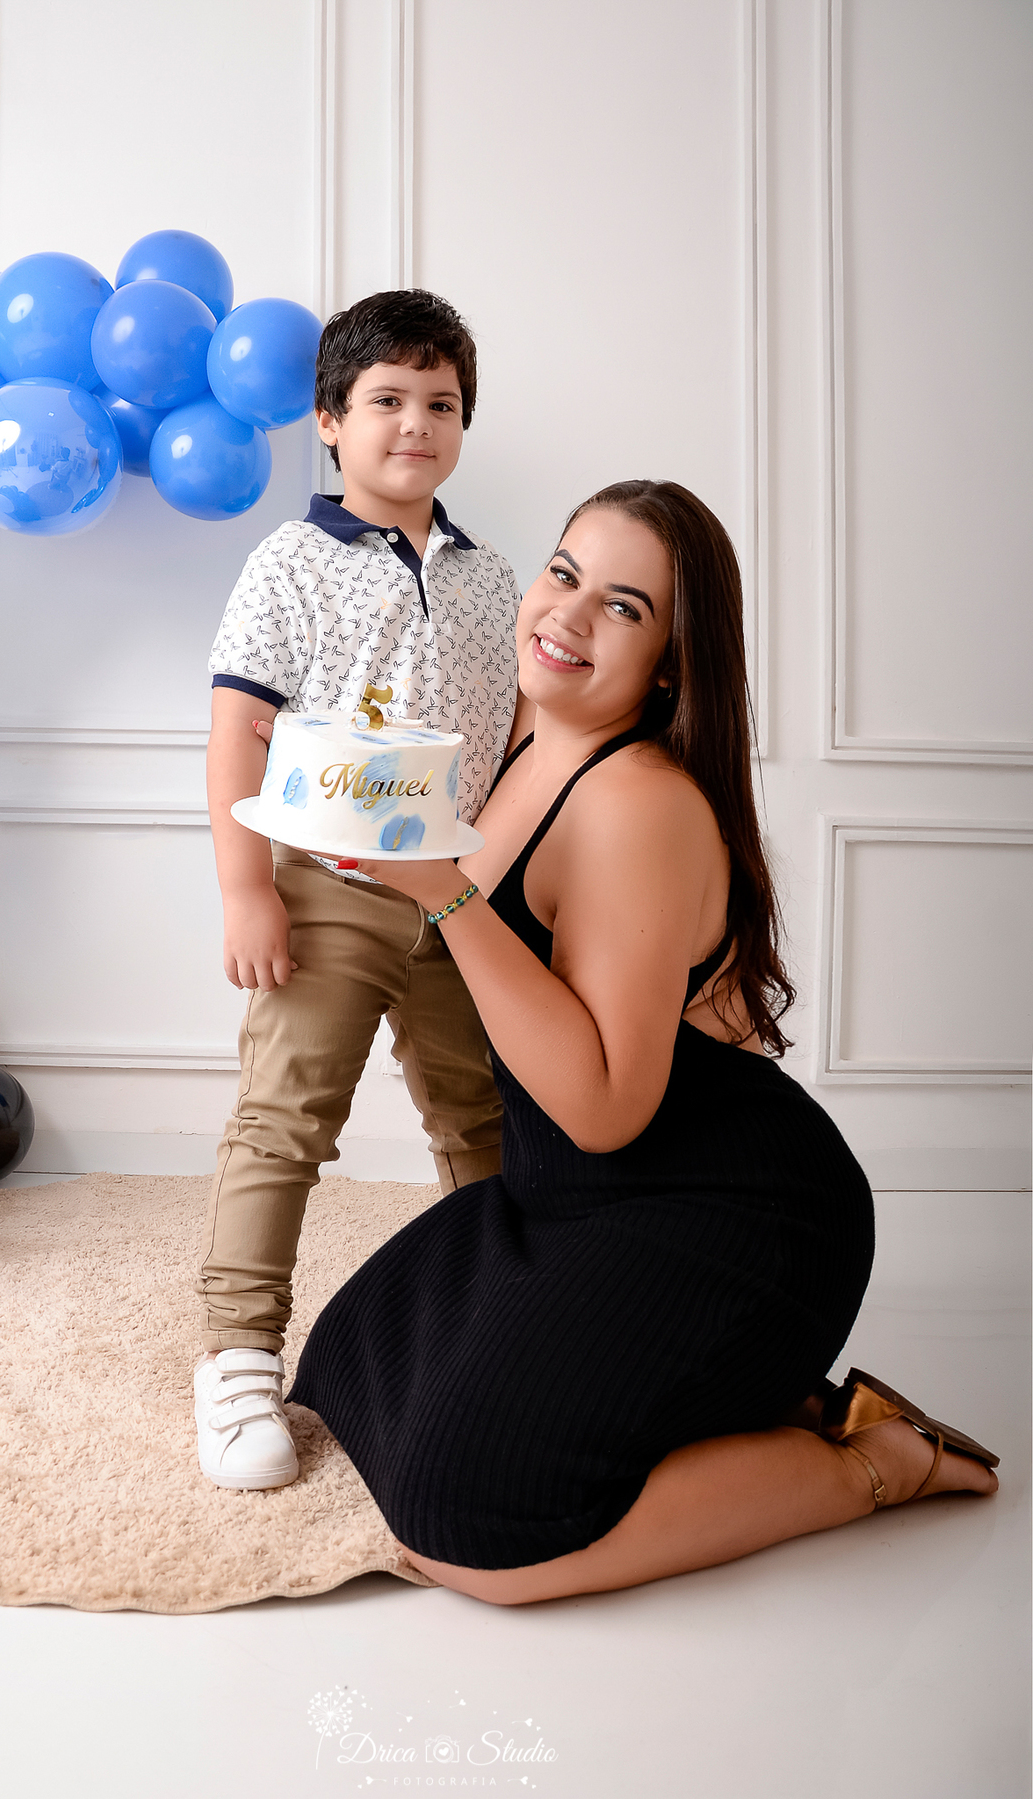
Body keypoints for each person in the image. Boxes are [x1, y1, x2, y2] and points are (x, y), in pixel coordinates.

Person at [286, 479, 1000, 1605]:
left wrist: (446, 899)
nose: (564, 616)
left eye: (623, 607)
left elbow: (609, 1102)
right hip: (575, 1191)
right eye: (563, 574)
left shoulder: (638, 805)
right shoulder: (526, 737)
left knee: (471, 1530)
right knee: (352, 1361)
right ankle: (758, 1400)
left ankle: (871, 1461)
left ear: (671, 661)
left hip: (729, 1209)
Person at [194, 290, 523, 1491]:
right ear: (331, 421)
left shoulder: (496, 580)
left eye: (440, 404)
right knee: (289, 1116)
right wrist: (248, 890)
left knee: (483, 1115)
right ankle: (235, 1355)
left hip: (461, 894)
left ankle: (514, 1311)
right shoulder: (290, 562)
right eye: (386, 400)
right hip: (327, 885)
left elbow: (523, 743)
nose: (415, 423)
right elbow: (236, 733)